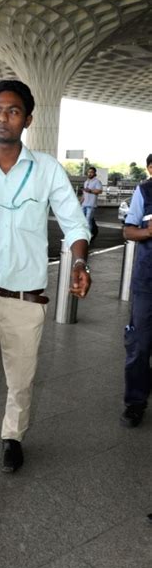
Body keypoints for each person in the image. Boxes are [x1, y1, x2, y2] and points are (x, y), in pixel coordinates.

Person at [0, 79, 91, 514]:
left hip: (26, 299)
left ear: (27, 119)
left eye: (11, 111)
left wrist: (79, 263)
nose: (2, 117)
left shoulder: (46, 169)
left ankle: (12, 435)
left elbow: (75, 224)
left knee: (20, 380)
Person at [121, 153, 152, 428]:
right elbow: (129, 231)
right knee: (140, 346)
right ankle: (135, 402)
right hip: (147, 283)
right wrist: (149, 232)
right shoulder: (144, 191)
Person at [81, 166, 102, 234]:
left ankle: (88, 235)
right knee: (82, 220)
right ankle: (91, 231)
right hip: (84, 204)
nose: (90, 173)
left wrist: (90, 191)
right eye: (89, 172)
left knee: (88, 220)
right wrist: (80, 202)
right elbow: (84, 194)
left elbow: (99, 191)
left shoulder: (97, 181)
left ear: (95, 173)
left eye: (92, 172)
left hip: (91, 205)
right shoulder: (86, 182)